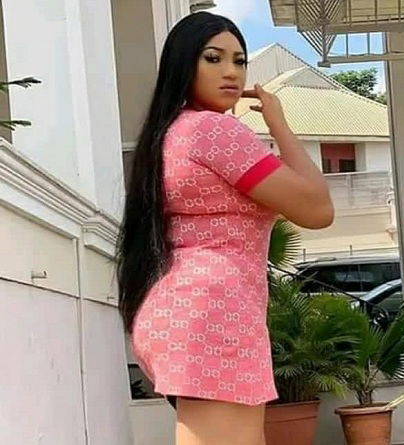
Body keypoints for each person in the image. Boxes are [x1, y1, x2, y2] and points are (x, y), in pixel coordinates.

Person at [117, 12, 334, 445]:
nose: (231, 72)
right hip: (214, 311)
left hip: (189, 309)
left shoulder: (171, 132)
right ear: (183, 64)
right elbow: (316, 209)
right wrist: (279, 124)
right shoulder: (213, 131)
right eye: (213, 58)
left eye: (239, 60)